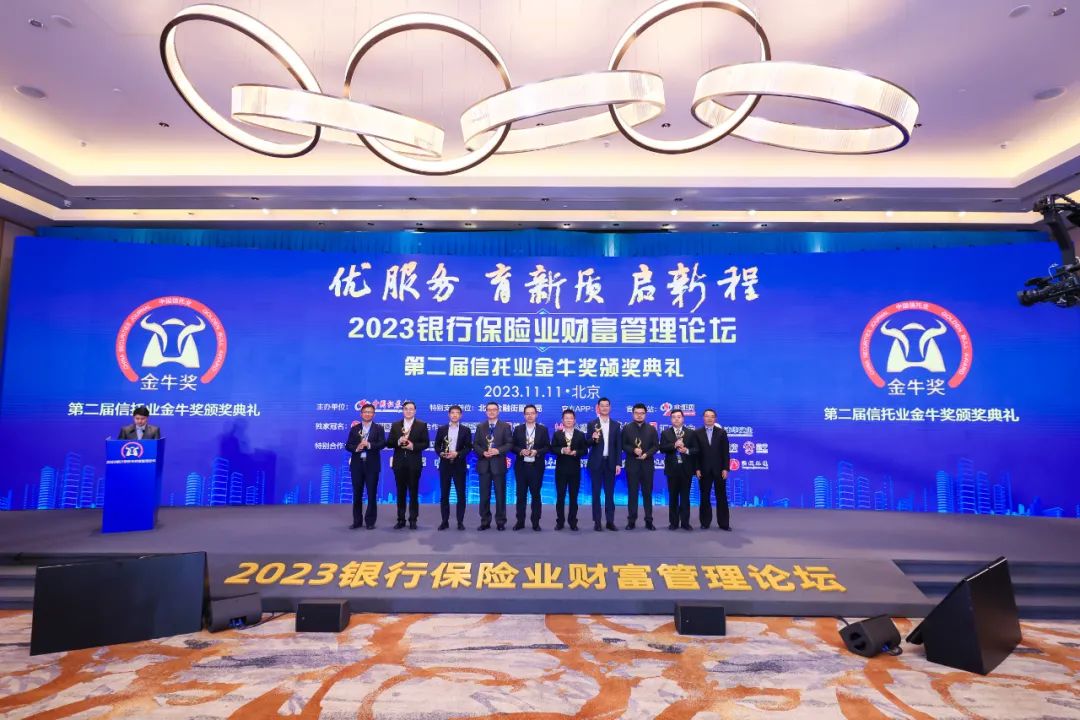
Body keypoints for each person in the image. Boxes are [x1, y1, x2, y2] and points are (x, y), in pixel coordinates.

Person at [385, 401, 429, 529]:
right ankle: (401, 519)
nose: (408, 411)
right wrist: (398, 441)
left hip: (414, 463)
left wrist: (413, 446)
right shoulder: (395, 425)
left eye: (411, 409)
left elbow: (426, 443)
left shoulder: (421, 425)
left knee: (414, 492)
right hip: (399, 463)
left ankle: (413, 519)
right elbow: (389, 443)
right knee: (400, 492)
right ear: (403, 411)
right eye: (406, 409)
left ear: (415, 411)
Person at [344, 403, 386, 529]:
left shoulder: (379, 428)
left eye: (370, 412)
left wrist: (369, 445)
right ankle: (357, 521)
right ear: (361, 414)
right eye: (365, 412)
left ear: (374, 414)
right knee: (357, 494)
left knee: (372, 494)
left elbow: (382, 444)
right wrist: (357, 447)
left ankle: (370, 522)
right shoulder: (355, 428)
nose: (367, 414)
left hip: (372, 466)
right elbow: (348, 445)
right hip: (357, 465)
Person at [474, 401, 514, 531]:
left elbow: (509, 444)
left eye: (494, 409)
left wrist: (498, 450)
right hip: (484, 465)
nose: (491, 412)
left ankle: (500, 521)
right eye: (489, 410)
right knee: (484, 495)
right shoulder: (480, 427)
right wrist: (483, 452)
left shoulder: (505, 426)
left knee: (500, 495)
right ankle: (485, 521)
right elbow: (475, 444)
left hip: (499, 465)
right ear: (486, 412)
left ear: (498, 411)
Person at [585, 397, 622, 531]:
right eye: (602, 405)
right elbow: (587, 442)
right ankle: (597, 522)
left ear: (610, 408)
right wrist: (593, 438)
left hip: (610, 463)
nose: (605, 408)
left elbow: (618, 446)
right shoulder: (592, 424)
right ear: (598, 408)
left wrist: (618, 463)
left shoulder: (616, 425)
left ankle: (610, 521)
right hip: (596, 463)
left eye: (607, 405)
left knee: (609, 493)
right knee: (596, 493)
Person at [659, 408, 698, 531]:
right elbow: (662, 448)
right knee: (673, 497)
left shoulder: (691, 433)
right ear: (671, 419)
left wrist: (686, 450)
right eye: (674, 417)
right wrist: (674, 445)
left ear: (683, 419)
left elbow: (696, 449)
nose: (676, 419)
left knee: (685, 497)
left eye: (679, 417)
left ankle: (685, 522)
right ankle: (674, 522)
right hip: (672, 470)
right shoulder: (666, 433)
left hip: (686, 469)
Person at [512, 404, 550, 531]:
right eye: (527, 413)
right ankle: (520, 522)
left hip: (536, 467)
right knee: (520, 496)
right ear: (524, 415)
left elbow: (547, 447)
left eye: (532, 413)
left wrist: (537, 452)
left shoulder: (543, 430)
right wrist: (521, 451)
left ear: (536, 415)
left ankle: (535, 522)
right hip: (521, 468)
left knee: (536, 495)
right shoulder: (518, 429)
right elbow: (512, 446)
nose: (530, 415)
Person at [433, 405, 471, 531]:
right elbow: (437, 446)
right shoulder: (442, 429)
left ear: (461, 415)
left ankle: (460, 522)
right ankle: (444, 521)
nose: (454, 415)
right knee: (444, 494)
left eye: (457, 413)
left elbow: (468, 447)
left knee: (461, 495)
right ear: (449, 415)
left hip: (459, 465)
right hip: (445, 465)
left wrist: (458, 454)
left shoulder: (466, 430)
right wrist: (441, 453)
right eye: (452, 413)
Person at [621, 402, 658, 530]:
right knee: (632, 494)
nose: (639, 415)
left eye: (642, 413)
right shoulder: (626, 428)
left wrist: (647, 454)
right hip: (632, 465)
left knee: (647, 494)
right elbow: (623, 445)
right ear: (633, 414)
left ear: (645, 414)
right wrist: (633, 450)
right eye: (637, 413)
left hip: (647, 465)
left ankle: (649, 521)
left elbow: (656, 446)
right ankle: (631, 521)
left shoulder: (651, 429)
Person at [695, 408, 732, 531]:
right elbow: (696, 453)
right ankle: (705, 522)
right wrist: (697, 468)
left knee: (721, 496)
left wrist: (725, 468)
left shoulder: (721, 433)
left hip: (719, 470)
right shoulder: (697, 433)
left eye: (712, 416)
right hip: (703, 470)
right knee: (704, 496)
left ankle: (724, 524)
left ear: (715, 418)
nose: (709, 418)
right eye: (707, 416)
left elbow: (725, 452)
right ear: (703, 418)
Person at [551, 408, 587, 531]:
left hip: (575, 471)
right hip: (561, 470)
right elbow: (552, 449)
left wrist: (576, 452)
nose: (569, 420)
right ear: (562, 420)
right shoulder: (557, 434)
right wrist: (562, 450)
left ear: (574, 420)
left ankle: (573, 522)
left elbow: (585, 450)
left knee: (573, 497)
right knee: (560, 497)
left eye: (571, 418)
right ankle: (560, 522)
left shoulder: (580, 434)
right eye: (566, 418)